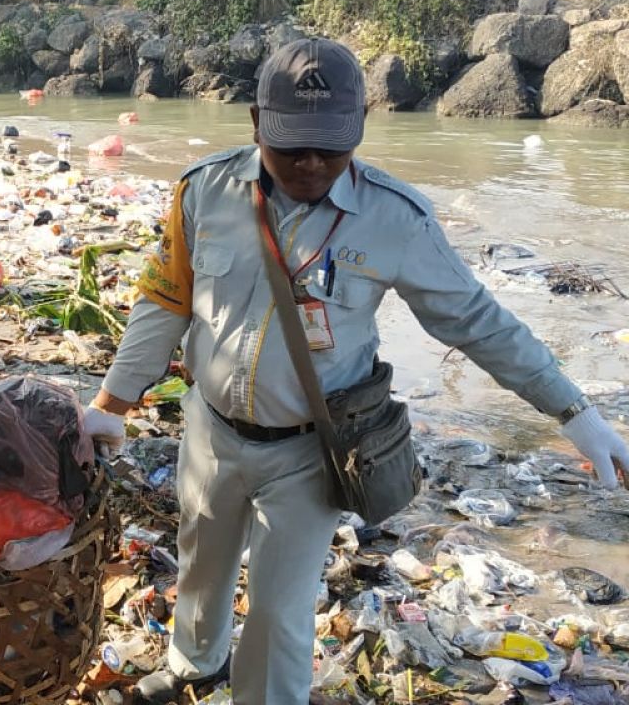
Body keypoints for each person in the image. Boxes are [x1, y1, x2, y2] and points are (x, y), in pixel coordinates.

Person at [81, 37, 629, 705]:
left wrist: (574, 412)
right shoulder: (205, 191)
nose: (310, 163)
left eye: (329, 146)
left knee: (282, 611)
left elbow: (478, 322)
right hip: (211, 430)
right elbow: (164, 299)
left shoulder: (395, 218)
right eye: (289, 147)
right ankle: (196, 663)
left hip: (313, 452)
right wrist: (112, 402)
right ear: (256, 124)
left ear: (361, 126)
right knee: (201, 562)